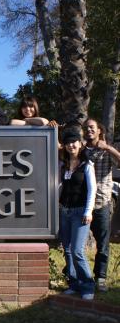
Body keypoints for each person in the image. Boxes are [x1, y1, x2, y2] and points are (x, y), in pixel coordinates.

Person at [83, 118, 120, 292]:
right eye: (86, 128)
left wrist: (109, 148)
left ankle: (101, 277)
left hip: (101, 203)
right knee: (76, 245)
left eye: (92, 127)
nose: (88, 130)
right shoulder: (81, 150)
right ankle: (78, 276)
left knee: (103, 244)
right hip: (81, 205)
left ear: (99, 131)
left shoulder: (107, 151)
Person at [59, 128, 96, 300]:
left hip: (80, 213)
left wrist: (88, 211)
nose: (70, 145)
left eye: (74, 142)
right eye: (67, 143)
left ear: (80, 144)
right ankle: (74, 284)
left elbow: (92, 190)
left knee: (77, 251)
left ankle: (88, 286)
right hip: (65, 211)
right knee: (67, 250)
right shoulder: (63, 164)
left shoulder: (87, 165)